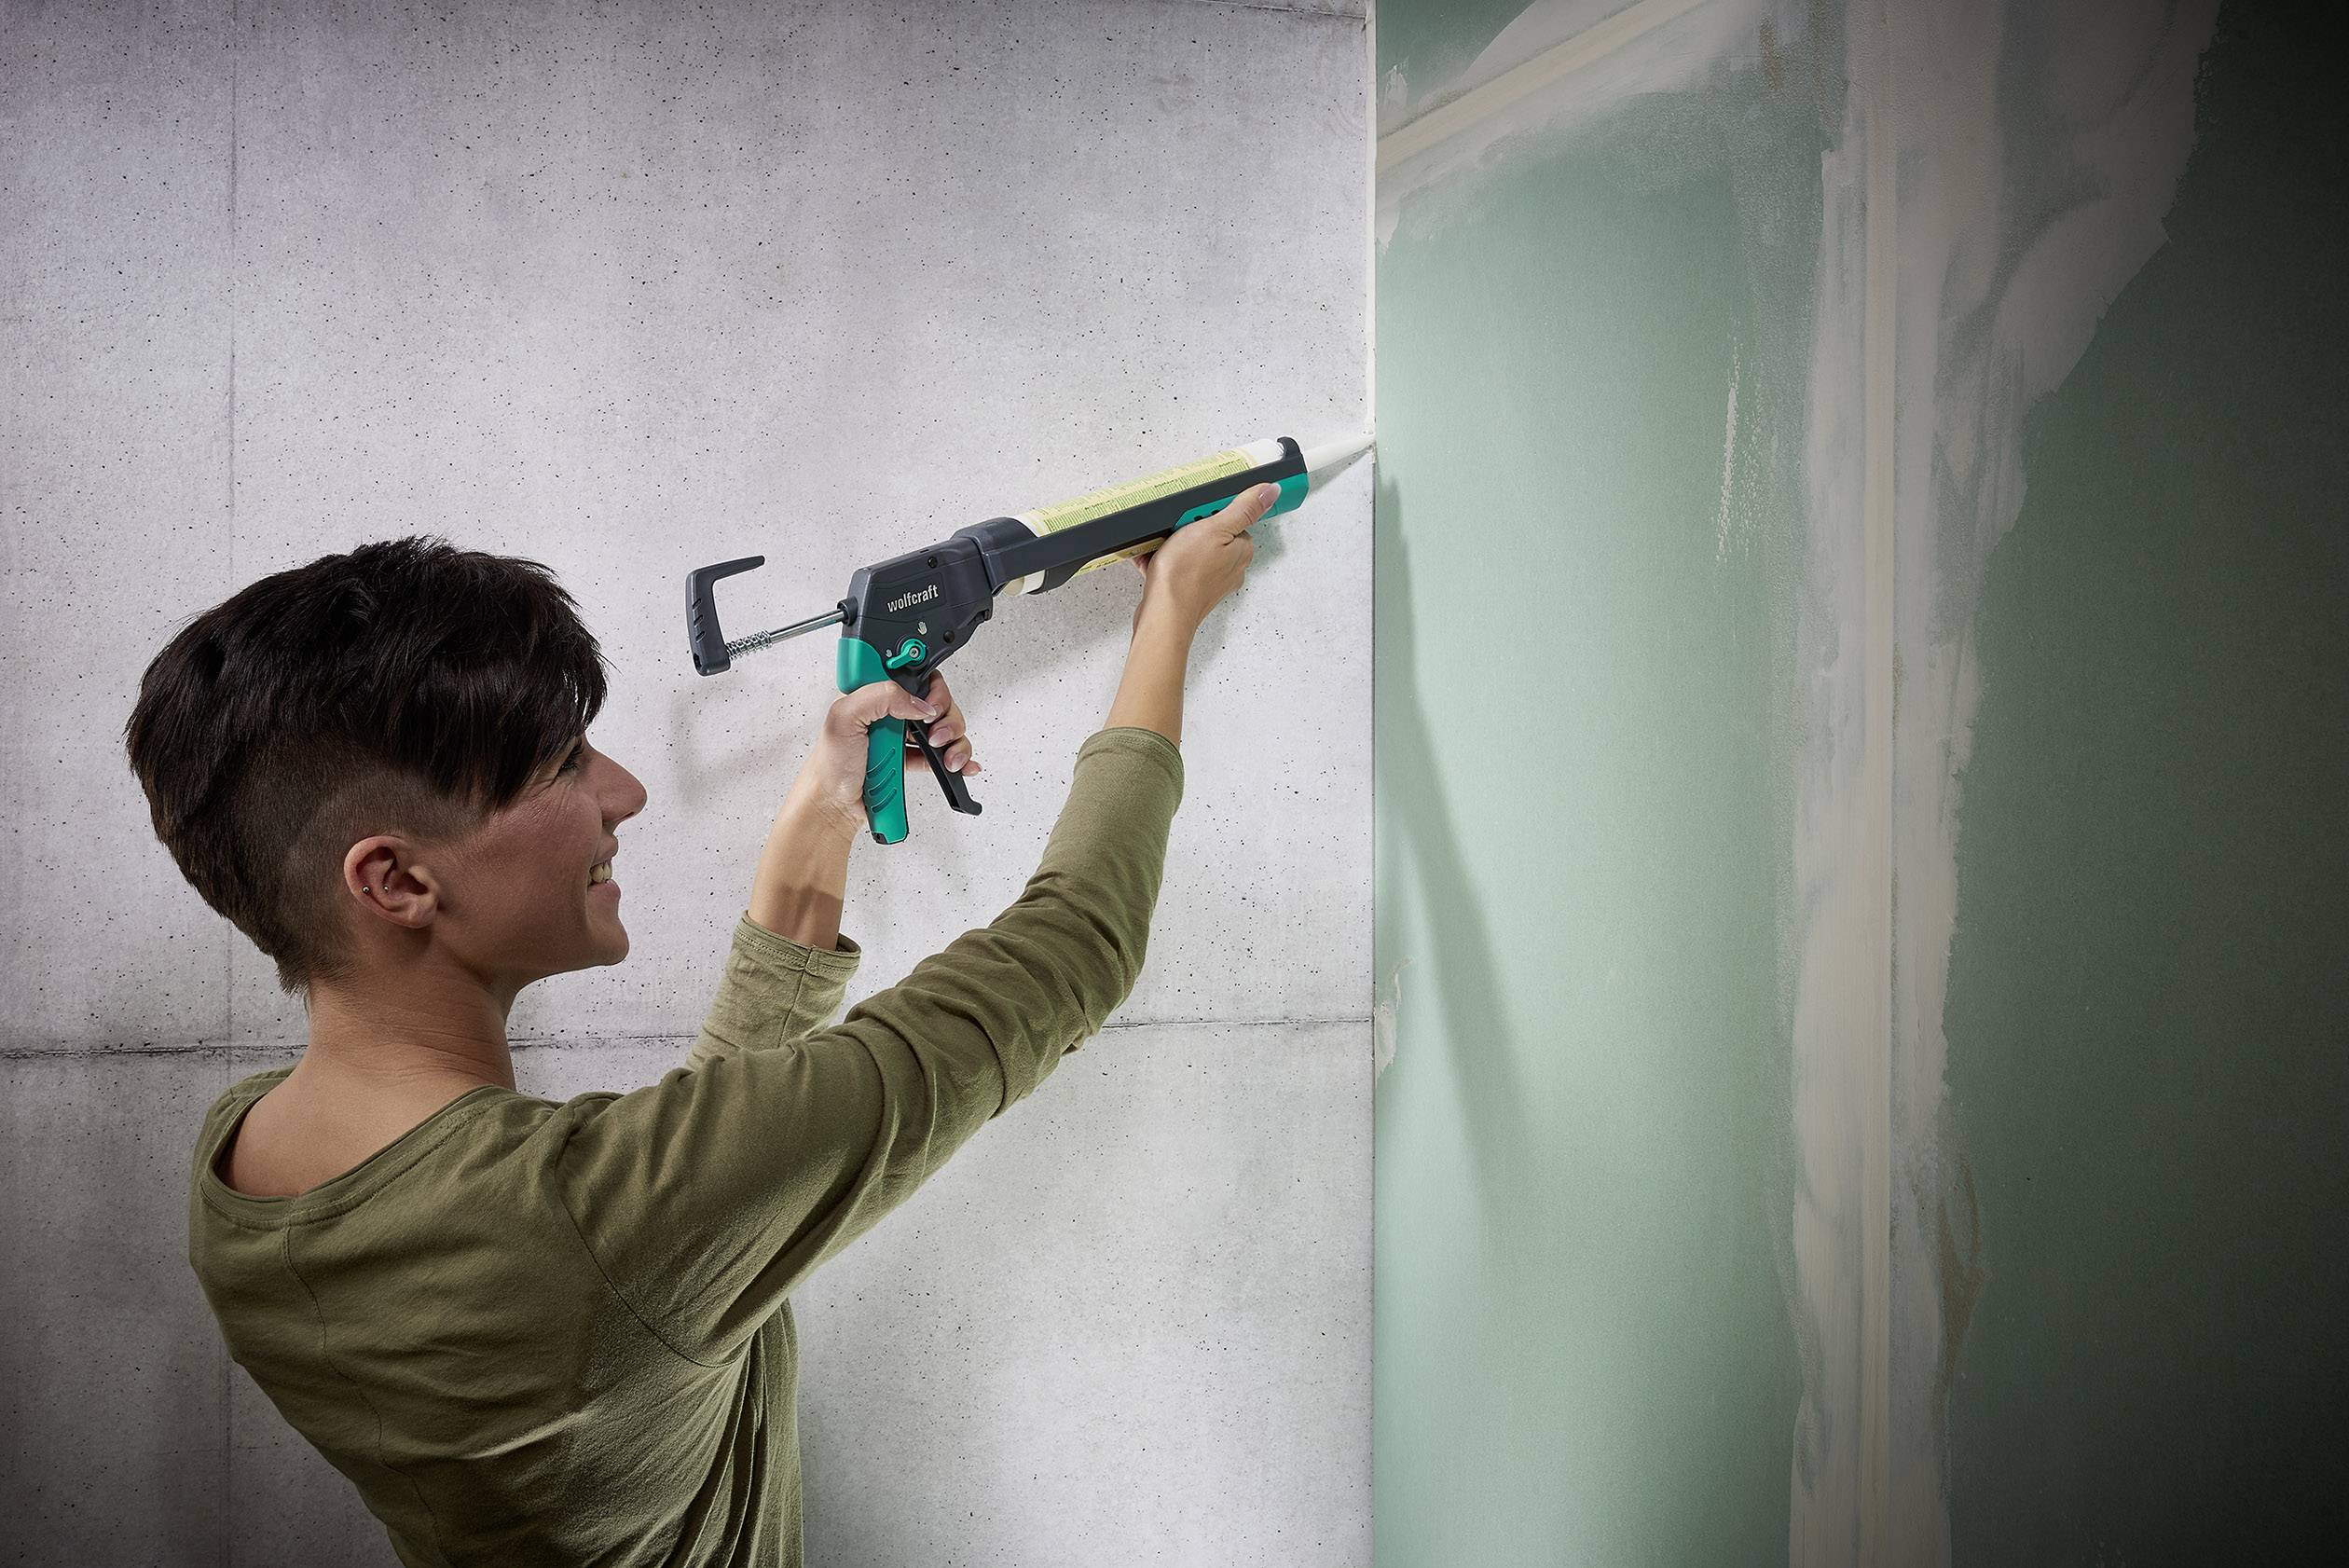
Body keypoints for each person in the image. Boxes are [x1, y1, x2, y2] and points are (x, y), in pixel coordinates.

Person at [124, 480, 1278, 1567]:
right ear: (395, 882)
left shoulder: (243, 1168)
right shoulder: (588, 1219)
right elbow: (1075, 948)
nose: (622, 789)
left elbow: (677, 1209)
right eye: (560, 763)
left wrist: (827, 802)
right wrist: (1169, 610)